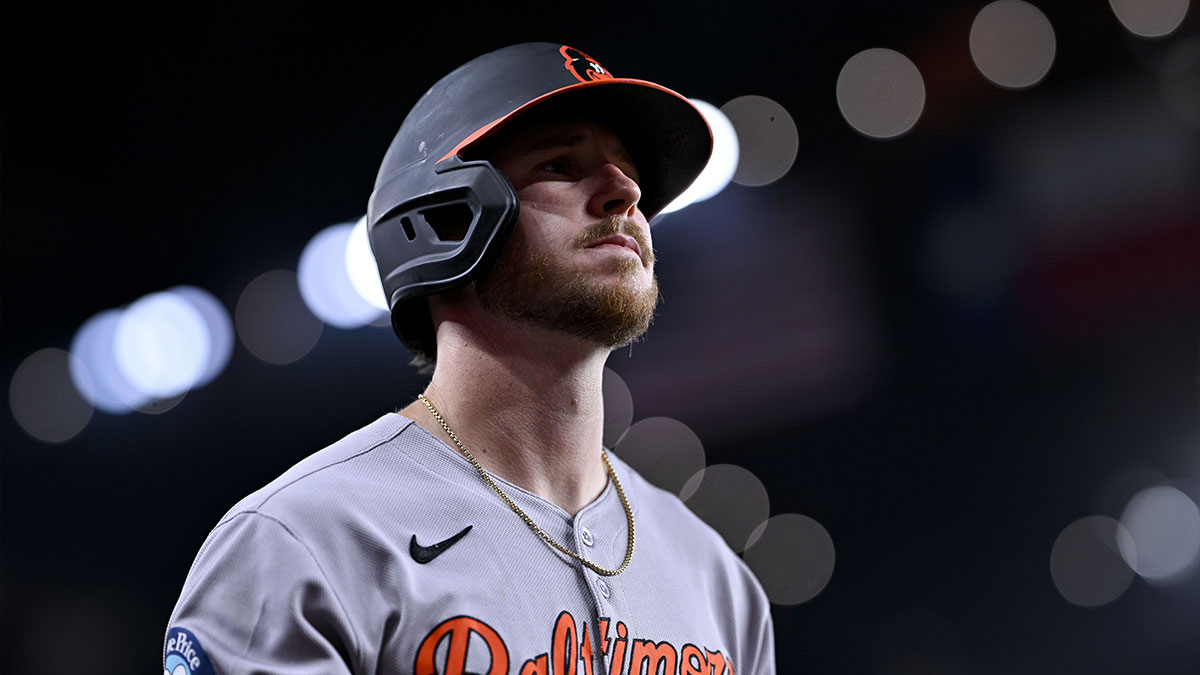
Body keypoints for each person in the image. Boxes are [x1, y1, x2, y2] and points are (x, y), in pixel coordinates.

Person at [164, 42, 775, 675]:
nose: (625, 190)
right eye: (563, 164)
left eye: (629, 172)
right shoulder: (303, 543)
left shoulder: (718, 579)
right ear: (440, 220)